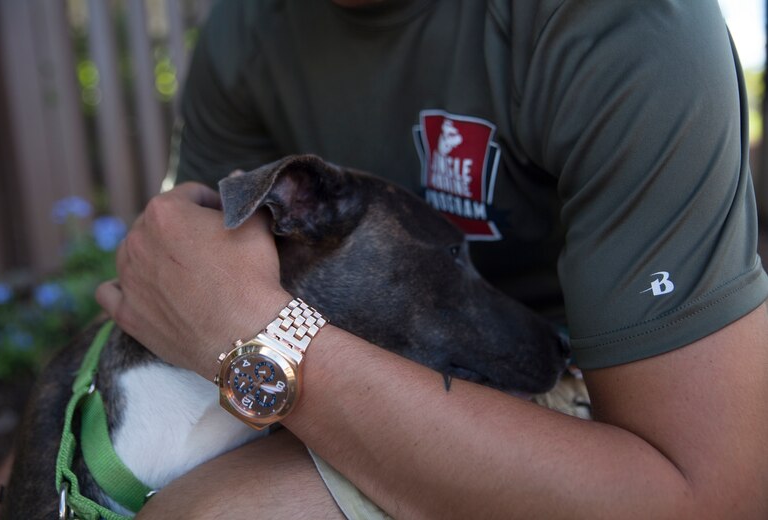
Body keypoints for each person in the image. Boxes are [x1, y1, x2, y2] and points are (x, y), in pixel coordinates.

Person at [95, 0, 768, 518]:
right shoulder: (246, 31)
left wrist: (265, 345)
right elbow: (186, 301)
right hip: (335, 374)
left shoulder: (614, 26)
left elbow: (710, 499)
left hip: (572, 398)